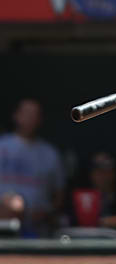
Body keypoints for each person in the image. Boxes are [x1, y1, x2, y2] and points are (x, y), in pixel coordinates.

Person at [0, 99, 65, 237]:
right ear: (16, 115)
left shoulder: (49, 153)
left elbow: (59, 194)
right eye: (26, 113)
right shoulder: (2, 146)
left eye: (34, 115)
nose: (30, 118)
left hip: (38, 227)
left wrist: (48, 213)